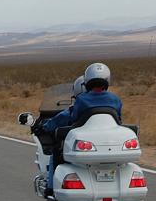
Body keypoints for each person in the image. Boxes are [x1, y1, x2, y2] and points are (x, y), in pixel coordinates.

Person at [41, 63, 122, 193]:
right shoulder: (115, 99)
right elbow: (119, 120)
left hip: (85, 143)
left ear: (87, 80)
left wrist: (47, 126)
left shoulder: (82, 99)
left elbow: (73, 118)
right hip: (110, 143)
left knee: (56, 152)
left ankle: (50, 187)